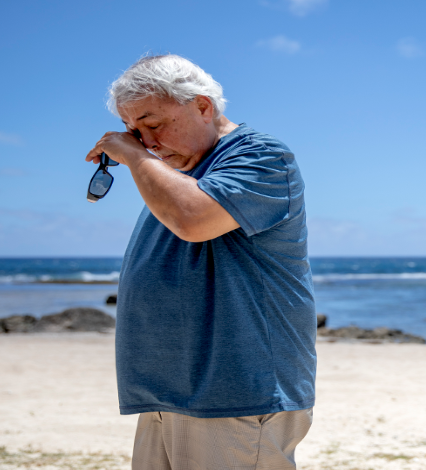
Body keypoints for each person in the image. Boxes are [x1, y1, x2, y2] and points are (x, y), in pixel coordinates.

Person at [85, 54, 317, 470]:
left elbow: (193, 219)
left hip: (236, 395)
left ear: (203, 106)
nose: (146, 142)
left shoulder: (261, 155)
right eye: (134, 131)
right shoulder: (177, 174)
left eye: (154, 124)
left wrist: (134, 157)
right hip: (171, 392)